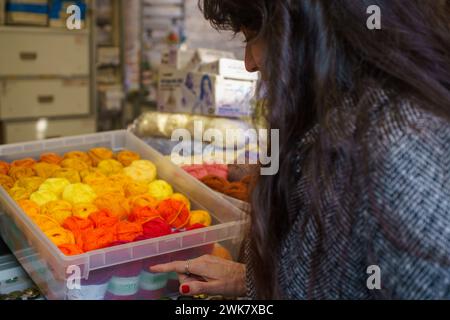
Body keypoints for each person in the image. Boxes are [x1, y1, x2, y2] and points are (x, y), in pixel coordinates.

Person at [151, 0, 450, 299]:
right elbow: (333, 276)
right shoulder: (340, 122)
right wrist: (253, 281)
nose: (249, 63)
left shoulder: (398, 155)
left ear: (309, 30)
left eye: (252, 35)